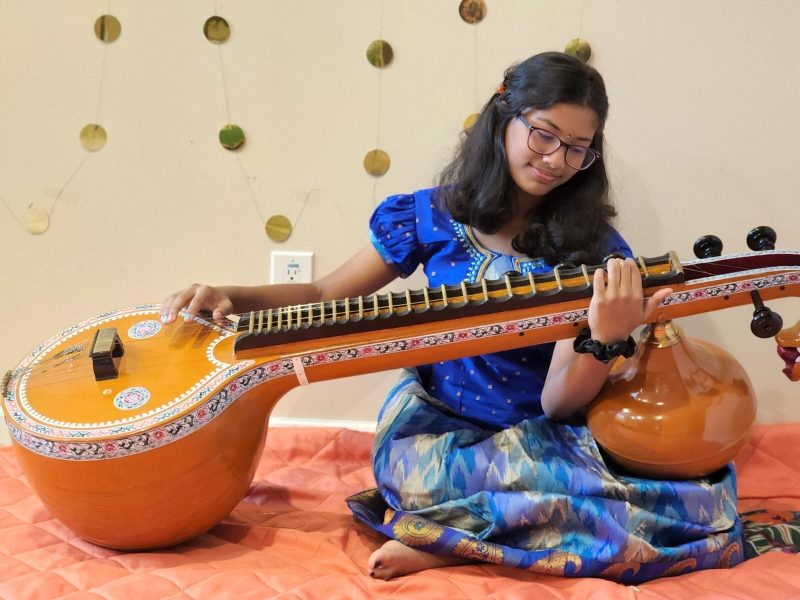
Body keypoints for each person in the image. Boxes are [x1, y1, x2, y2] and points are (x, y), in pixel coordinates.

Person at [161, 51, 743, 582]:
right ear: (503, 116)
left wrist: (604, 338)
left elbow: (558, 406)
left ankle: (451, 540)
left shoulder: (593, 250)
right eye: (543, 134)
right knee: (427, 478)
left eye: (577, 148)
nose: (556, 160)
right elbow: (324, 291)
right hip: (438, 435)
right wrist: (233, 296)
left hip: (537, 440)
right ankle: (481, 529)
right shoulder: (432, 216)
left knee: (701, 504)